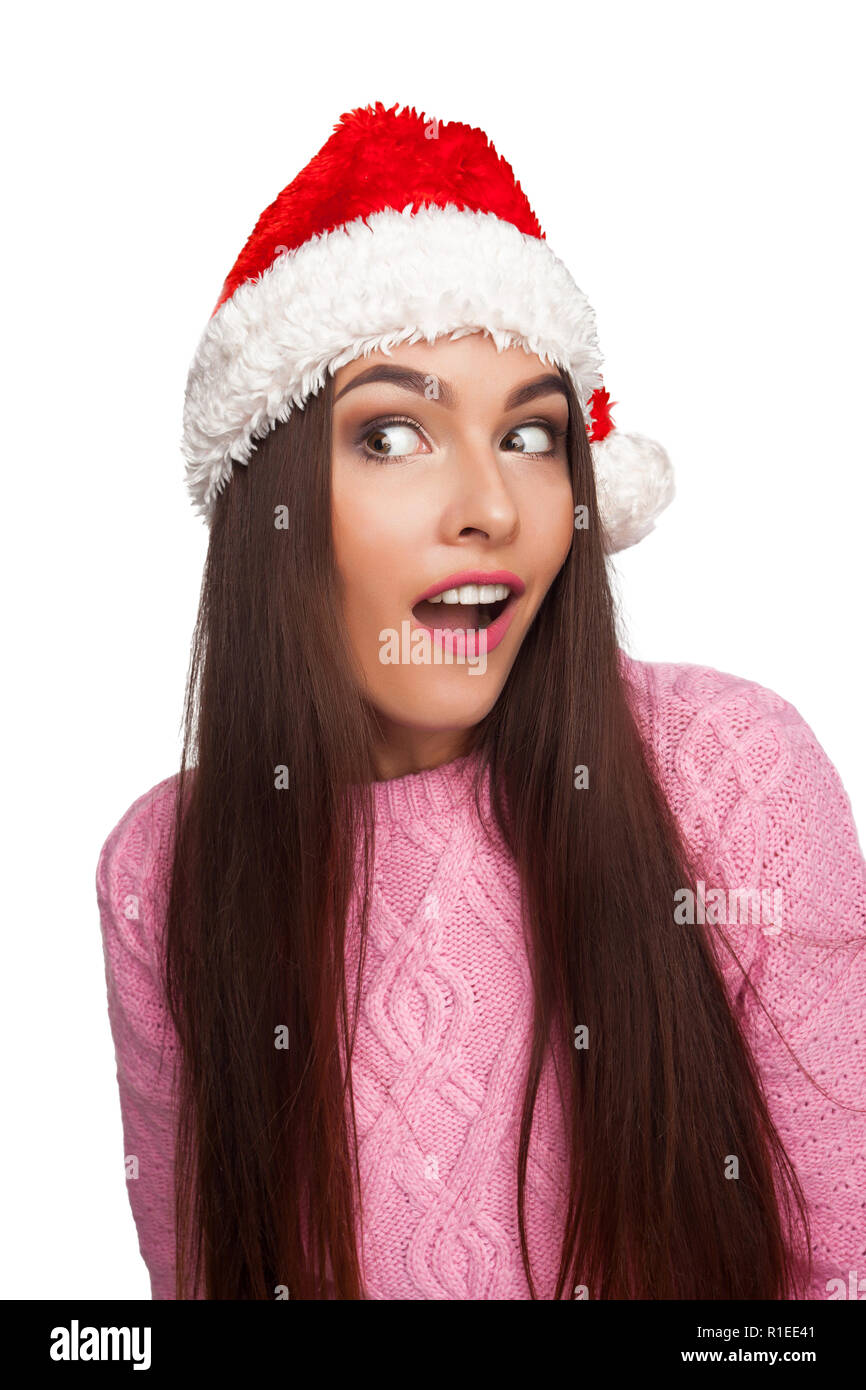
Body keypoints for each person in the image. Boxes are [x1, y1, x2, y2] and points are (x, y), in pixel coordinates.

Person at [96, 101, 866, 1300]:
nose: (490, 507)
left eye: (528, 435)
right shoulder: (163, 866)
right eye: (394, 433)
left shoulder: (729, 772)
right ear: (277, 502)